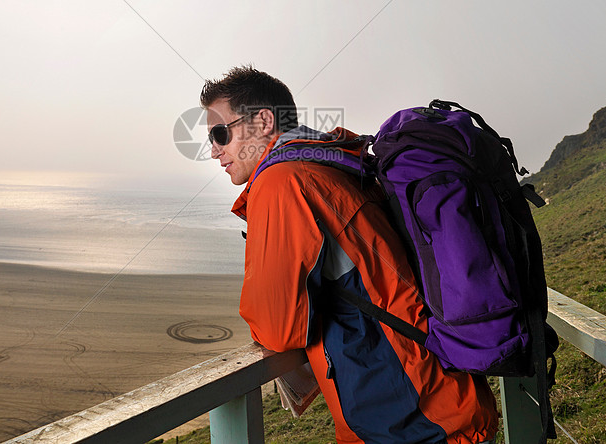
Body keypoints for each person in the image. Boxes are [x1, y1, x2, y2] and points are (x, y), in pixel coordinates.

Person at [201, 65, 499, 444]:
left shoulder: (283, 182)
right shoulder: (333, 162)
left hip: (410, 418)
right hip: (443, 393)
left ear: (262, 122)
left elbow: (277, 327)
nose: (213, 151)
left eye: (220, 134)